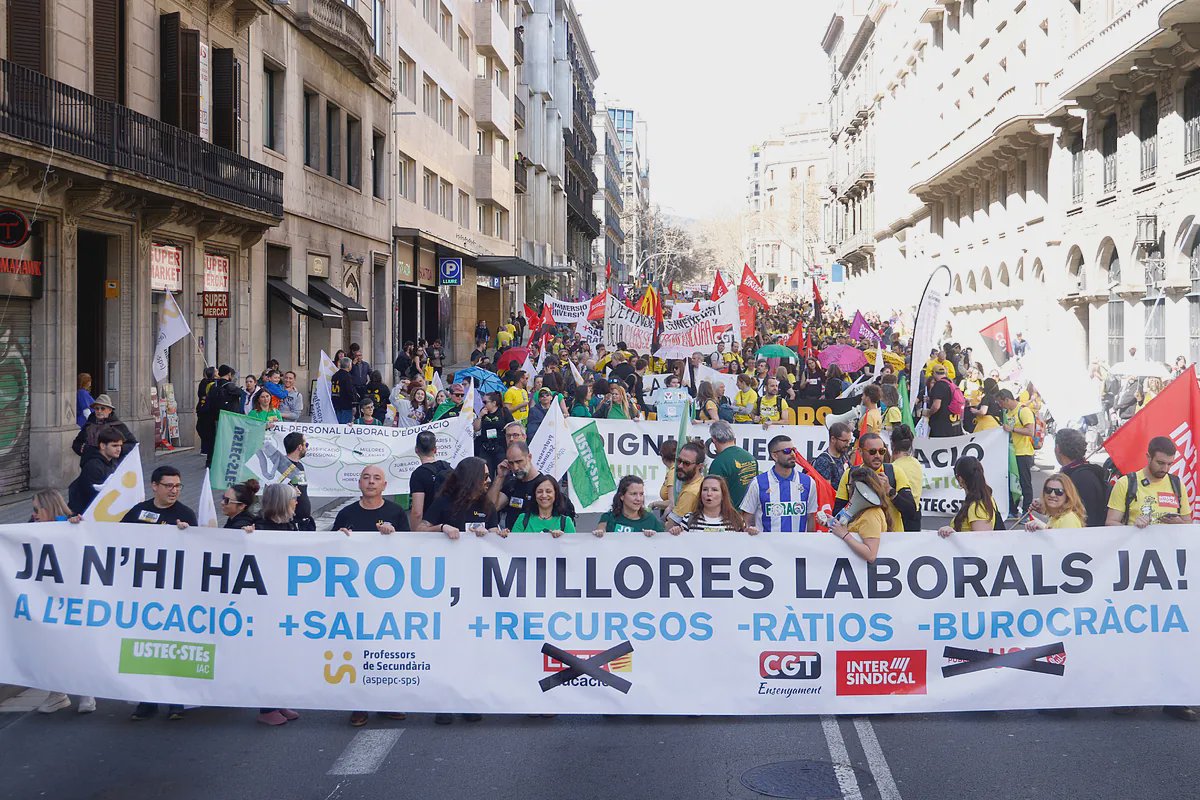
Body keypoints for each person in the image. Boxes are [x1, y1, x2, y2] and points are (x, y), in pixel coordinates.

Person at [125, 466, 196, 722]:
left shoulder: (185, 514)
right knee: (145, 648)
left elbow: (199, 552)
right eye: (168, 486)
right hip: (145, 593)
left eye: (178, 486)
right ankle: (148, 700)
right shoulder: (138, 512)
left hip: (174, 594)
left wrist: (188, 535)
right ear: (154, 486)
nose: (174, 491)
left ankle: (176, 700)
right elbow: (115, 540)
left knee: (173, 647)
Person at [32, 489, 98, 715]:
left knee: (75, 644)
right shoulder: (32, 527)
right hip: (46, 597)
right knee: (51, 647)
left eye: (37, 509)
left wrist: (76, 526)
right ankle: (57, 694)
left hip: (71, 597)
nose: (34, 514)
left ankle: (85, 692)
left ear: (49, 507)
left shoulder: (73, 524)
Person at [833, 433, 918, 530]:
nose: (877, 455)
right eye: (872, 452)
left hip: (891, 539)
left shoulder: (894, 472)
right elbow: (837, 511)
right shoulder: (850, 474)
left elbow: (911, 512)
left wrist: (890, 491)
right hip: (859, 537)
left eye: (882, 451)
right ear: (860, 452)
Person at [1105, 436, 1190, 528]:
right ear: (1148, 457)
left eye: (1169, 464)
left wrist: (1180, 523)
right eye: (1160, 463)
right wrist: (1133, 528)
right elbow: (1111, 523)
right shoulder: (1125, 483)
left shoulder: (1177, 484)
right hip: (1138, 542)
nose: (1165, 469)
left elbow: (1188, 523)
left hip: (1170, 541)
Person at [740, 435, 817, 532]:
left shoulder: (808, 482)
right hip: (766, 546)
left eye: (794, 450)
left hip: (798, 546)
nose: (793, 454)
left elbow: (810, 518)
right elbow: (747, 519)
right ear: (774, 456)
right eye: (787, 451)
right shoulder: (758, 483)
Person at [493, 442, 577, 529]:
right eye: (511, 463)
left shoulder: (545, 485)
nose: (515, 467)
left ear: (529, 457)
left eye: (519, 461)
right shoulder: (511, 485)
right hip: (514, 538)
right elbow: (492, 508)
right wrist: (500, 477)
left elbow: (566, 524)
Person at [828, 466, 896, 563]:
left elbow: (871, 555)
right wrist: (832, 523)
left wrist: (845, 535)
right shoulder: (863, 510)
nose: (849, 489)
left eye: (850, 485)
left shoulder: (871, 514)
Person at [1046, 428, 1108, 527]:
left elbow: (1087, 515)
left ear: (1057, 448)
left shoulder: (1082, 478)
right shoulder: (1076, 473)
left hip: (1080, 536)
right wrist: (1046, 506)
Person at [937, 456, 1000, 536]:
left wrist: (955, 535)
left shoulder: (978, 506)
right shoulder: (984, 500)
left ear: (960, 479)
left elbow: (982, 541)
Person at [67, 427, 123, 515]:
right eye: (114, 445)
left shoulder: (112, 462)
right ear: (103, 446)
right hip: (84, 513)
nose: (119, 449)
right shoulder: (93, 466)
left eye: (120, 445)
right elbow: (93, 495)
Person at [998, 389, 1036, 516]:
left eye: (1001, 402)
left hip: (1023, 453)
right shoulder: (1007, 412)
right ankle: (1012, 509)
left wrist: (1012, 429)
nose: (1000, 405)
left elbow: (1030, 431)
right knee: (1010, 482)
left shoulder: (1024, 410)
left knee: (1025, 483)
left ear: (1007, 400)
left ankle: (1026, 512)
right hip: (1011, 452)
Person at [72, 394, 137, 465]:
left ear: (109, 410)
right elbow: (77, 442)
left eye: (102, 408)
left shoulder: (118, 425)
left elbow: (132, 443)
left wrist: (114, 449)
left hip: (110, 465)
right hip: (89, 463)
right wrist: (82, 449)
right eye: (97, 408)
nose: (99, 411)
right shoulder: (89, 424)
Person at [706, 420, 759, 507]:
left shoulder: (719, 463)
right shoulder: (750, 457)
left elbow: (712, 496)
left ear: (714, 440)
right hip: (749, 512)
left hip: (729, 514)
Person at [198, 365, 242, 465]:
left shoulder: (213, 386)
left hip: (215, 418)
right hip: (229, 419)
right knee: (228, 441)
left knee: (215, 441)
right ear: (229, 374)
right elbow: (239, 393)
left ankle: (211, 462)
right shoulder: (229, 386)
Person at [675, 475, 752, 533]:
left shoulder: (736, 520)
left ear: (723, 495)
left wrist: (752, 533)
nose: (709, 493)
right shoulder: (688, 519)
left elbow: (744, 546)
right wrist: (676, 532)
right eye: (705, 489)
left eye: (714, 490)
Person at [595, 475, 666, 535]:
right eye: (633, 494)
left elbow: (664, 543)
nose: (638, 499)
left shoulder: (651, 519)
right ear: (622, 496)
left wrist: (653, 538)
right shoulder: (608, 518)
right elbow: (598, 542)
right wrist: (599, 533)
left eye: (641, 494)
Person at [409, 431, 451, 529]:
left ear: (416, 450)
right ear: (435, 450)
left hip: (430, 527)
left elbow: (417, 512)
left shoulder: (418, 474)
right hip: (452, 526)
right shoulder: (448, 468)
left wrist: (416, 533)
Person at [511, 475, 576, 536]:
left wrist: (563, 538)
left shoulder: (566, 522)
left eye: (548, 491)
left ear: (555, 494)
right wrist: (504, 536)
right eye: (539, 492)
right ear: (534, 495)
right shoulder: (522, 519)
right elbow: (513, 545)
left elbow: (573, 546)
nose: (544, 495)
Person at [475, 392, 513, 472]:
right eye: (483, 402)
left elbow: (511, 426)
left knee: (503, 470)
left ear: (494, 403)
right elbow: (476, 428)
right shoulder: (483, 412)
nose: (483, 404)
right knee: (486, 471)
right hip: (486, 446)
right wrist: (480, 416)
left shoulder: (503, 411)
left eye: (485, 402)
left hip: (500, 446)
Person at [669, 441, 706, 519]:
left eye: (687, 463)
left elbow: (672, 526)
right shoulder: (699, 482)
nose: (680, 466)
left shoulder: (690, 492)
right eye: (679, 460)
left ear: (700, 466)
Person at [921, 365, 961, 437]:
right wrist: (930, 400)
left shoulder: (939, 385)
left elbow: (936, 406)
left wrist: (929, 412)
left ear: (934, 373)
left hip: (942, 426)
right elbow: (947, 400)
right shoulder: (951, 384)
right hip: (955, 423)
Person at [812, 422, 853, 487]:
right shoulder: (823, 461)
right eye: (844, 441)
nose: (848, 444)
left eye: (849, 441)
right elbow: (826, 491)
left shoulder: (844, 455)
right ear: (833, 439)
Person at [330, 357, 359, 424]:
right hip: (346, 405)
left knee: (338, 423)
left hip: (336, 403)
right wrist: (354, 404)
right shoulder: (347, 377)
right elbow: (350, 391)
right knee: (345, 425)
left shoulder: (335, 375)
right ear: (349, 365)